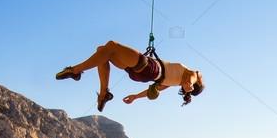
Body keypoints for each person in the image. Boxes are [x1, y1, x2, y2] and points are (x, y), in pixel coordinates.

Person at [55, 40, 204, 111]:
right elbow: (153, 91)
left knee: (111, 46)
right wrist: (135, 97)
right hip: (140, 75)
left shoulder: (193, 75)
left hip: (149, 67)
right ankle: (103, 94)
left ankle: (75, 71)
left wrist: (190, 84)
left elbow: (192, 78)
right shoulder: (172, 83)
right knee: (103, 51)